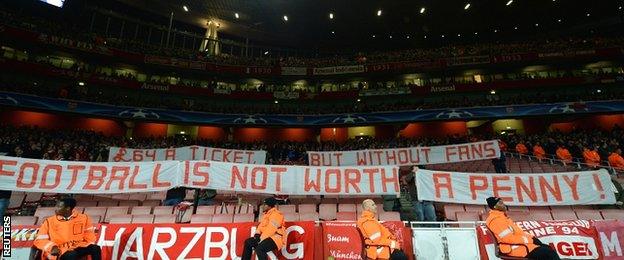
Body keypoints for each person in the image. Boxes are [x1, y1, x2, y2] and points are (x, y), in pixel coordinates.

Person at [485, 197, 560, 260]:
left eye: (502, 202)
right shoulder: (496, 220)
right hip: (513, 248)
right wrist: (529, 240)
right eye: (500, 203)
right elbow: (507, 238)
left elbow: (518, 232)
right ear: (494, 207)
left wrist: (532, 238)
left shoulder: (502, 217)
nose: (503, 204)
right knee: (549, 253)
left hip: (519, 245)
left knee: (547, 248)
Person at [33, 197, 101, 260]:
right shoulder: (49, 221)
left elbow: (89, 235)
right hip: (59, 249)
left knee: (96, 248)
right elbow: (39, 240)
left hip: (78, 246)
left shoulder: (84, 218)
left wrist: (87, 244)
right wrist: (52, 247)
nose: (56, 208)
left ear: (68, 208)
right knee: (72, 255)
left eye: (59, 206)